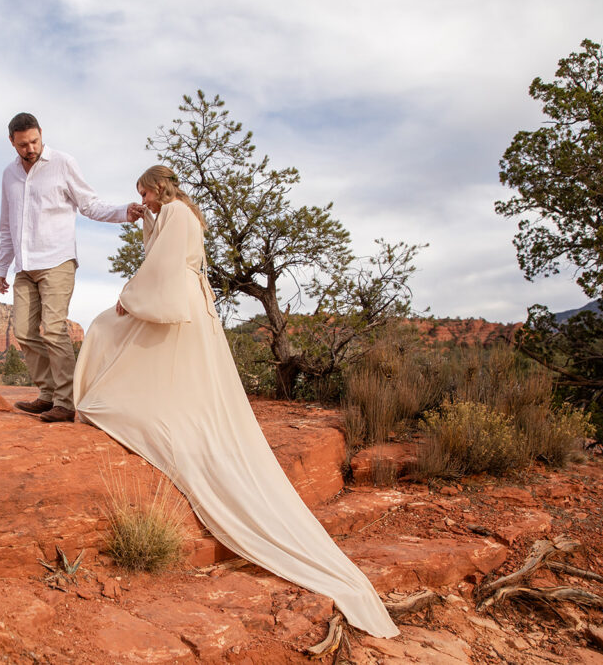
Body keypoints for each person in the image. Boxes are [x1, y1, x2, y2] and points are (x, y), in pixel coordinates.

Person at [73, 165, 399, 638]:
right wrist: (144, 222)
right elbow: (158, 250)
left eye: (143, 189)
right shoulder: (170, 214)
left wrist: (130, 295)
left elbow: (164, 265)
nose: (139, 195)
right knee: (120, 336)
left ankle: (110, 400)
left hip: (177, 300)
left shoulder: (179, 214)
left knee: (109, 325)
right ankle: (114, 395)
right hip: (179, 299)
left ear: (158, 186)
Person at [0, 113, 143, 423]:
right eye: (23, 144)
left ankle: (65, 402)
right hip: (24, 266)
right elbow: (6, 226)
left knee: (53, 328)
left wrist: (123, 212)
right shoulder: (9, 174)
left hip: (57, 261)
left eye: (34, 141)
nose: (30, 148)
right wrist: (1, 266)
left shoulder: (63, 163)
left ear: (41, 135)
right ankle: (47, 394)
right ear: (12, 142)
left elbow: (90, 204)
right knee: (23, 330)